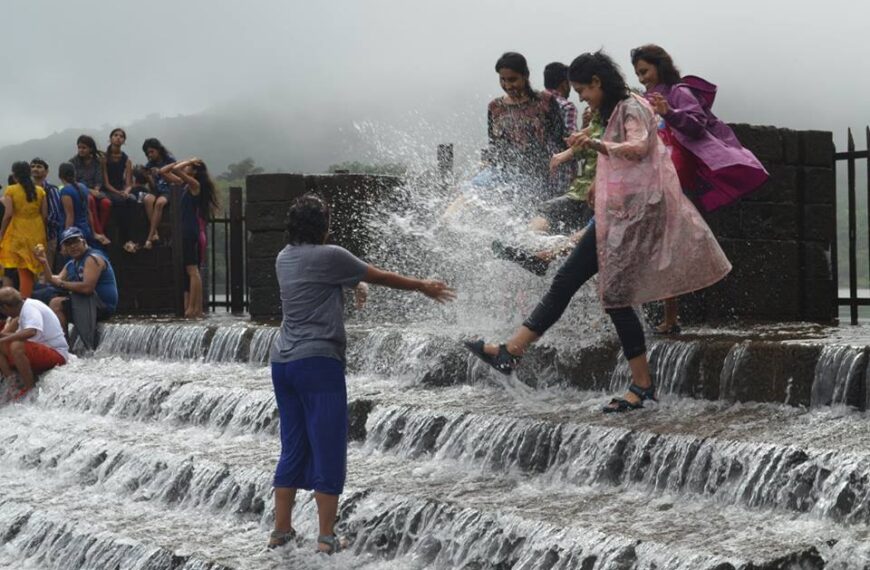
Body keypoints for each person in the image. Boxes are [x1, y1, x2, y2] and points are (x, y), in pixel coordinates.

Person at [465, 51, 732, 413]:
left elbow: (639, 148)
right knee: (565, 281)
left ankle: (643, 386)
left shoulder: (633, 107)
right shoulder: (611, 112)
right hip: (614, 215)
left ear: (598, 83)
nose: (580, 98)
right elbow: (614, 157)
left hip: (634, 218)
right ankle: (510, 352)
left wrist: (597, 146)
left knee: (617, 299)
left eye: (582, 90)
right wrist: (591, 172)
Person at [268, 194, 455, 553]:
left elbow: (328, 279)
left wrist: (356, 284)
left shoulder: (284, 257)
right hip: (318, 363)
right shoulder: (331, 255)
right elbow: (380, 275)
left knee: (293, 446)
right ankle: (326, 538)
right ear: (322, 224)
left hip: (283, 362)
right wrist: (423, 286)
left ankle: (281, 531)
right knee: (328, 446)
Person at [631, 44, 769, 334]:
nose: (642, 78)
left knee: (668, 245)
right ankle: (667, 316)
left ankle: (671, 317)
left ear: (659, 66)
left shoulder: (678, 92)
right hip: (655, 175)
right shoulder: (645, 98)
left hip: (678, 176)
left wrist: (670, 112)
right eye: (638, 74)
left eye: (644, 71)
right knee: (661, 245)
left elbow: (696, 125)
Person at [456, 52, 567, 209]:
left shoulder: (545, 102)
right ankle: (445, 225)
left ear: (525, 76)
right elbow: (494, 143)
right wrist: (485, 166)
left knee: (515, 211)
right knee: (466, 194)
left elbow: (559, 139)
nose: (508, 86)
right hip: (500, 171)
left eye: (513, 79)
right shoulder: (495, 107)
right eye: (503, 80)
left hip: (534, 175)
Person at [32, 227, 117, 351]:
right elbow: (53, 280)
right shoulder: (72, 263)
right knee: (40, 293)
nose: (73, 246)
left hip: (101, 306)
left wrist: (61, 284)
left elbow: (88, 288)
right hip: (85, 303)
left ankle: (62, 347)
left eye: (75, 242)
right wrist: (44, 262)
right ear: (64, 248)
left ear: (83, 241)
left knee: (56, 303)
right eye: (68, 243)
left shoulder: (92, 259)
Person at [159, 158, 218, 318]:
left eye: (189, 167)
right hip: (184, 230)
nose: (185, 168)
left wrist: (188, 161)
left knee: (193, 270)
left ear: (195, 171)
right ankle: (192, 308)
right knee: (189, 270)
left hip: (189, 230)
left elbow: (177, 170)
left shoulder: (194, 185)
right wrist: (186, 161)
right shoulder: (185, 185)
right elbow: (164, 172)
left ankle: (194, 308)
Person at [0, 287, 68, 398]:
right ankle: (13, 385)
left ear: (6, 307)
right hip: (41, 350)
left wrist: (4, 338)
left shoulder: (30, 308)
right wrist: (3, 336)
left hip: (57, 354)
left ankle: (30, 390)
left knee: (16, 346)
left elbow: (31, 331)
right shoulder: (24, 308)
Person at [0, 161, 47, 299]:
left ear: (15, 175)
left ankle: (22, 303)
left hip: (18, 231)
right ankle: (29, 299)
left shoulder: (11, 190)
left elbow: (8, 214)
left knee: (22, 270)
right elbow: (44, 215)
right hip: (37, 231)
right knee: (32, 269)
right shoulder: (40, 191)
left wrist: (2, 232)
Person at [542, 62, 578, 194]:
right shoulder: (566, 107)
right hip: (562, 174)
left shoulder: (537, 104)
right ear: (564, 83)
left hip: (540, 172)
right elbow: (571, 140)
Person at [102, 128, 139, 253]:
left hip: (121, 190)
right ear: (110, 138)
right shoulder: (104, 158)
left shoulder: (126, 159)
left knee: (133, 200)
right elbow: (106, 183)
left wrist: (126, 191)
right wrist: (119, 193)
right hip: (108, 190)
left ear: (124, 141)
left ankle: (132, 239)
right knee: (119, 202)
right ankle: (123, 240)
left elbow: (129, 183)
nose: (118, 138)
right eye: (115, 135)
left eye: (121, 136)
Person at [69, 135, 111, 243]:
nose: (81, 150)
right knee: (90, 200)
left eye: (84, 148)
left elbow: (98, 179)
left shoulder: (96, 162)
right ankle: (99, 234)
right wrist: (90, 191)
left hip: (95, 191)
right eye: (79, 147)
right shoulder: (73, 162)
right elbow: (73, 182)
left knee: (106, 203)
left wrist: (96, 190)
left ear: (90, 149)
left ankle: (100, 230)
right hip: (80, 191)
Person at [58, 162, 107, 249]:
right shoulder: (83, 187)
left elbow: (70, 217)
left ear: (60, 175)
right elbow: (88, 212)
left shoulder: (65, 191)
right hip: (86, 229)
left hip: (74, 233)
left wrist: (65, 239)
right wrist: (93, 233)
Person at [29, 158, 64, 271]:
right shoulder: (27, 189)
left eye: (39, 167)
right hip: (29, 237)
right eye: (33, 166)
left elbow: (55, 215)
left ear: (46, 171)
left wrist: (40, 224)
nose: (35, 169)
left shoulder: (51, 190)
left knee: (45, 272)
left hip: (48, 237)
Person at [142, 138, 175, 248]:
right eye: (148, 153)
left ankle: (149, 237)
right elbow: (152, 186)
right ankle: (155, 232)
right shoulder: (149, 164)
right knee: (147, 199)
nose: (150, 154)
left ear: (158, 150)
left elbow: (175, 179)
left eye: (152, 152)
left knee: (159, 203)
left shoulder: (170, 160)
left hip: (169, 189)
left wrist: (161, 173)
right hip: (156, 190)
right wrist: (148, 177)